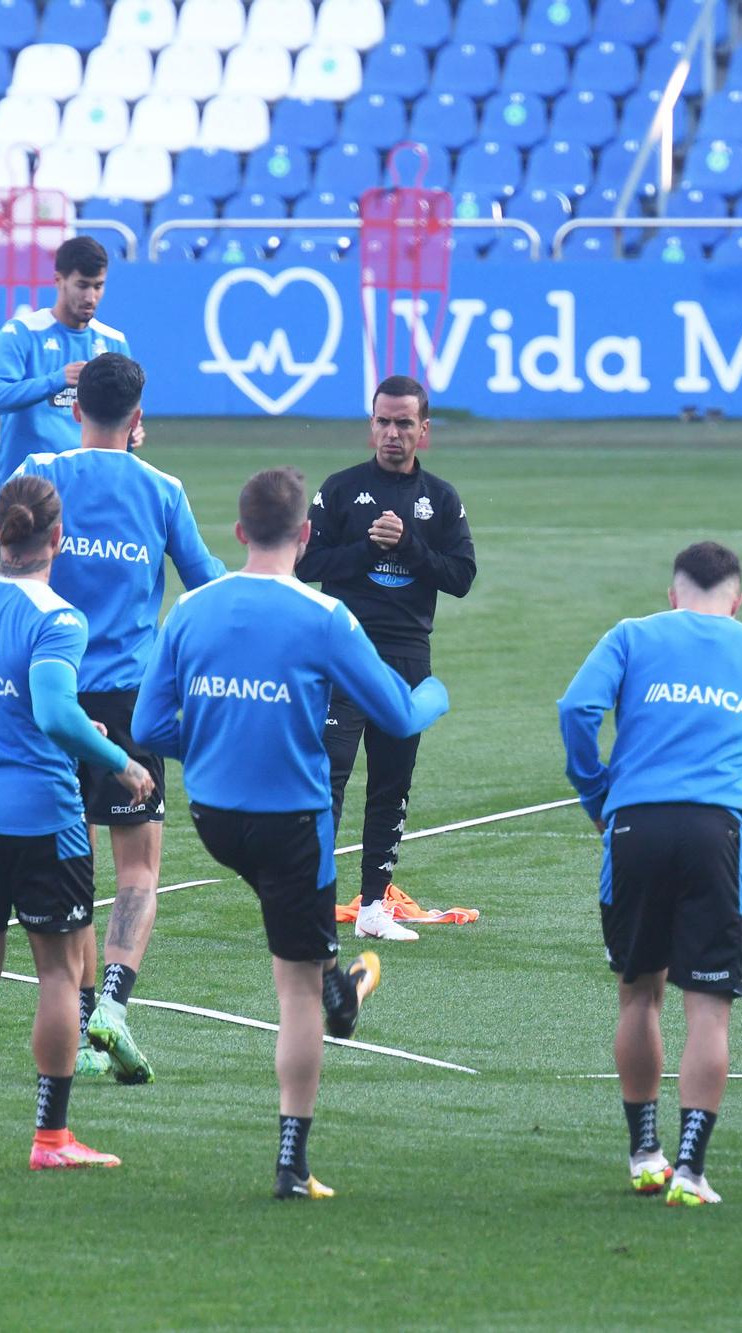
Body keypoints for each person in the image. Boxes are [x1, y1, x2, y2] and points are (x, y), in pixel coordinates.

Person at [133, 466, 449, 1200]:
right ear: (306, 536)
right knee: (296, 992)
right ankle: (292, 1162)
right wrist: (434, 691)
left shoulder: (192, 609)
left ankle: (339, 979)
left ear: (239, 532)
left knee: (301, 942)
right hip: (289, 825)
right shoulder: (324, 616)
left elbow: (149, 727)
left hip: (214, 818)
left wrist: (214, 742)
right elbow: (399, 716)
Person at [0, 353, 225, 1084]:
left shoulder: (42, 467)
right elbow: (208, 586)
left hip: (42, 697)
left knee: (72, 868)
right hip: (130, 703)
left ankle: (86, 1013)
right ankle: (111, 1007)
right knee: (138, 871)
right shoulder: (163, 489)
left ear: (73, 405)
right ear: (139, 417)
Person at [0, 474, 156, 1177]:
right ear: (57, 538)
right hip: (43, 818)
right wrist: (115, 756)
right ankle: (51, 1137)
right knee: (60, 970)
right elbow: (51, 713)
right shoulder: (59, 618)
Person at [558, 541, 742, 1208]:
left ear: (673, 595)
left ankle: (645, 1155)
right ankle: (692, 1172)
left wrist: (596, 793)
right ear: (738, 599)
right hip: (713, 832)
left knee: (638, 993)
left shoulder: (632, 635)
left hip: (634, 826)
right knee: (709, 1007)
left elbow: (575, 710)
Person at [296, 376, 476, 943]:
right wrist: (369, 547)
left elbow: (462, 577)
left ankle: (374, 906)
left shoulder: (441, 500)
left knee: (392, 782)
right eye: (383, 421)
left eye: (404, 423)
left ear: (424, 430)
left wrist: (408, 547)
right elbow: (307, 565)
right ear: (370, 424)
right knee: (328, 775)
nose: (392, 433)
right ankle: (309, 901)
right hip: (344, 654)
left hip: (405, 659)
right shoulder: (341, 490)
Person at [0, 235, 132, 492]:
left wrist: (131, 435)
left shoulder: (114, 342)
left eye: (98, 286)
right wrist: (54, 381)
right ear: (59, 281)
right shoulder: (23, 332)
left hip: (85, 490)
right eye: (82, 285)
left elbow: (124, 420)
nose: (91, 297)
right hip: (25, 492)